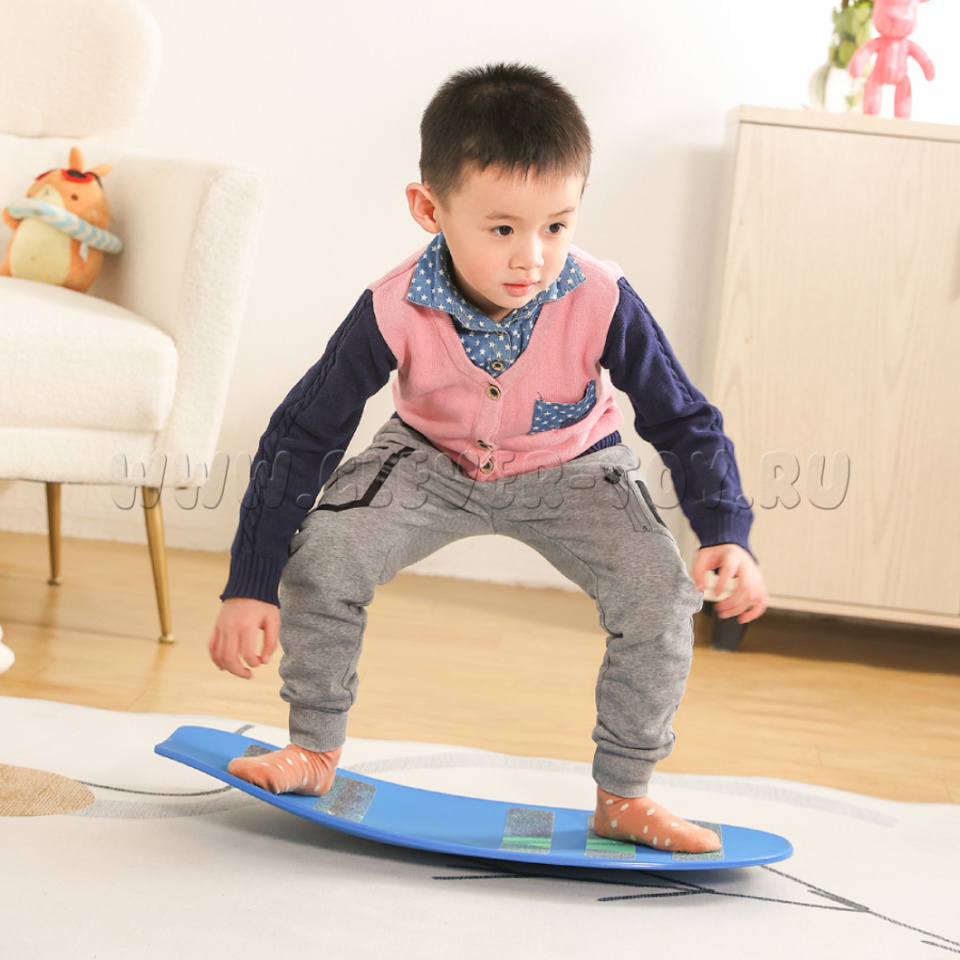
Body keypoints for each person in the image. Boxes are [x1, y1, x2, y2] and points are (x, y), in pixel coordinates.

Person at [209, 63, 767, 854]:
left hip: (575, 466)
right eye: (503, 229)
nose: (532, 257)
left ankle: (625, 794)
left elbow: (684, 418)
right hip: (428, 460)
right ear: (429, 209)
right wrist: (252, 579)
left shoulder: (603, 297)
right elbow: (302, 434)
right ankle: (314, 749)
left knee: (659, 596)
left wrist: (724, 529)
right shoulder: (392, 306)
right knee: (326, 557)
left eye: (557, 226)